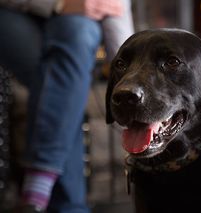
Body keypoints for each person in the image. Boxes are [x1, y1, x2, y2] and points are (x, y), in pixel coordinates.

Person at [0, 0, 134, 212]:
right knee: (65, 84)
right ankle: (65, 204)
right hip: (10, 10)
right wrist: (58, 4)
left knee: (80, 35)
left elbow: (114, 7)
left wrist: (129, 78)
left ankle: (37, 190)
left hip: (69, 27)